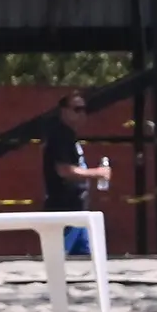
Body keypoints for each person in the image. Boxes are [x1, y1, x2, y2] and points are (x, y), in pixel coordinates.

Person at [43, 90, 105, 256]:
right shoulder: (60, 135)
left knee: (85, 260)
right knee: (58, 258)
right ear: (64, 111)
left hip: (78, 210)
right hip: (64, 210)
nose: (82, 114)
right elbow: (63, 170)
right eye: (76, 109)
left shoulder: (70, 136)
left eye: (84, 109)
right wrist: (97, 173)